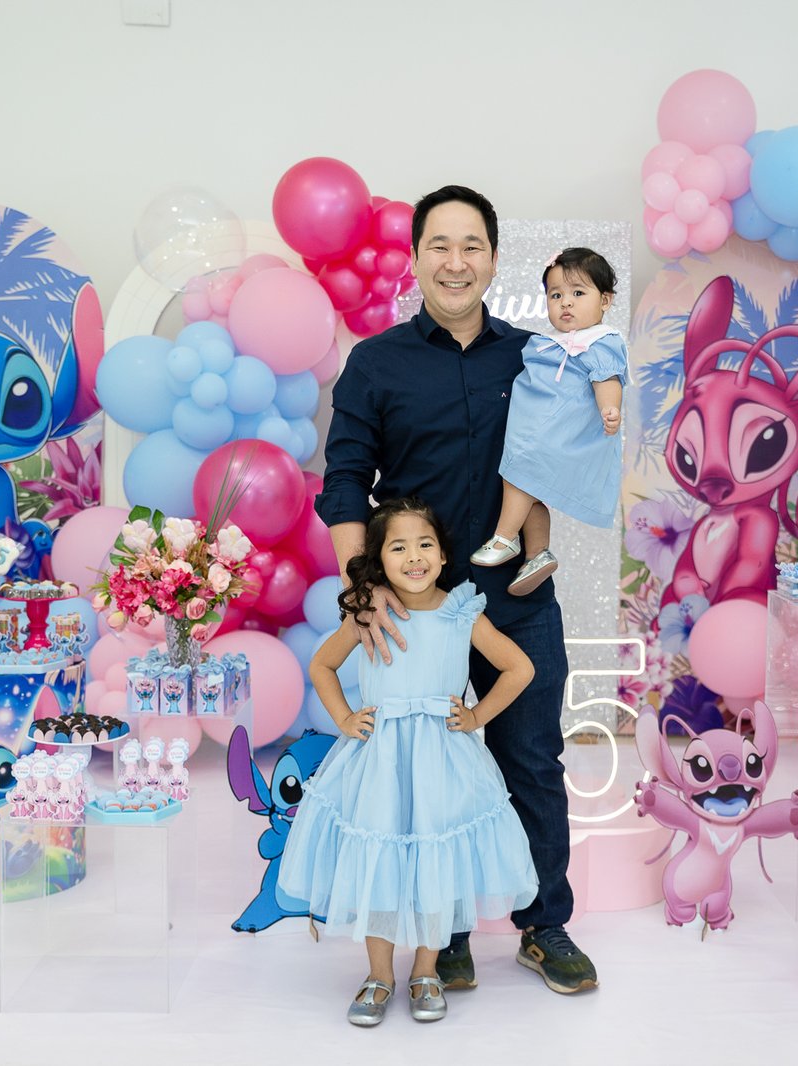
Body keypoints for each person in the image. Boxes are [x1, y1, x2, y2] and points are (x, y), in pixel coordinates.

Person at [316, 184, 598, 995]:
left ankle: (544, 925)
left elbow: (567, 459)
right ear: (414, 259)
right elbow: (344, 481)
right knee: (421, 777)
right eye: (439, 245)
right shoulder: (375, 364)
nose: (455, 261)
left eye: (472, 245)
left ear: (494, 259)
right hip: (417, 610)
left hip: (514, 601)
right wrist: (363, 588)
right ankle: (444, 934)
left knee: (532, 760)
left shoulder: (537, 358)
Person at [279, 498, 539, 1027]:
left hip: (442, 761)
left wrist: (476, 715)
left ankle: (426, 971)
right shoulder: (369, 612)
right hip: (380, 761)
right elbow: (323, 665)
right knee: (379, 860)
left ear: (443, 556)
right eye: (398, 547)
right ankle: (379, 975)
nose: (414, 557)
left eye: (425, 545)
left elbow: (519, 668)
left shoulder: (461, 612)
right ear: (379, 559)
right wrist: (345, 718)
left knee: (433, 861)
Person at [470, 247, 627, 594]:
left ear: (605, 300)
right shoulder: (549, 343)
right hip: (535, 429)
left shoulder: (599, 341)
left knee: (519, 475)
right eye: (556, 295)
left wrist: (610, 409)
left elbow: (607, 378)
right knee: (530, 491)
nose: (565, 302)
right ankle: (537, 554)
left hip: (553, 433)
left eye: (578, 293)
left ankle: (505, 537)